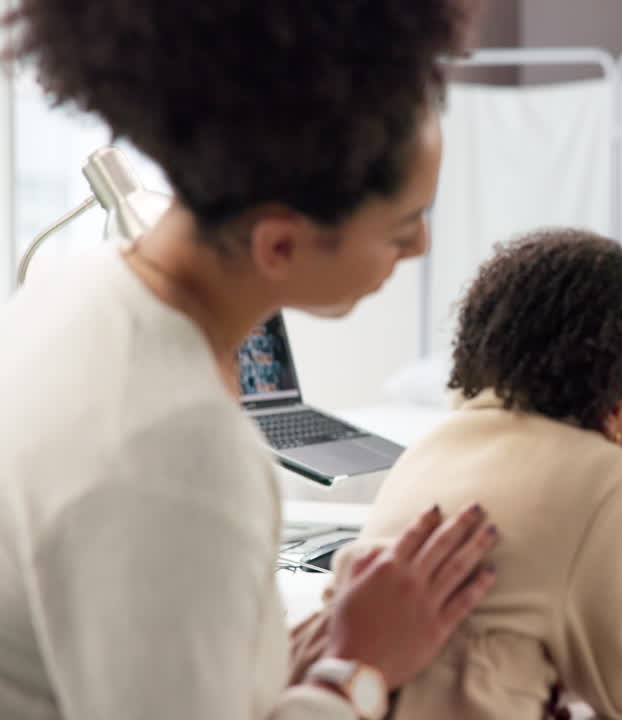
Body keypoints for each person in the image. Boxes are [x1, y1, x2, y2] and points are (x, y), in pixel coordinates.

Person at [0, 2, 499, 718]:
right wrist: (358, 669)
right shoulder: (173, 450)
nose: (420, 247)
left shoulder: (73, 292)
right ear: (279, 247)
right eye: (401, 228)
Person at [293, 229, 622, 719]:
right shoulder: (603, 474)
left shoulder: (432, 446)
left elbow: (530, 610)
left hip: (335, 683)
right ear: (617, 408)